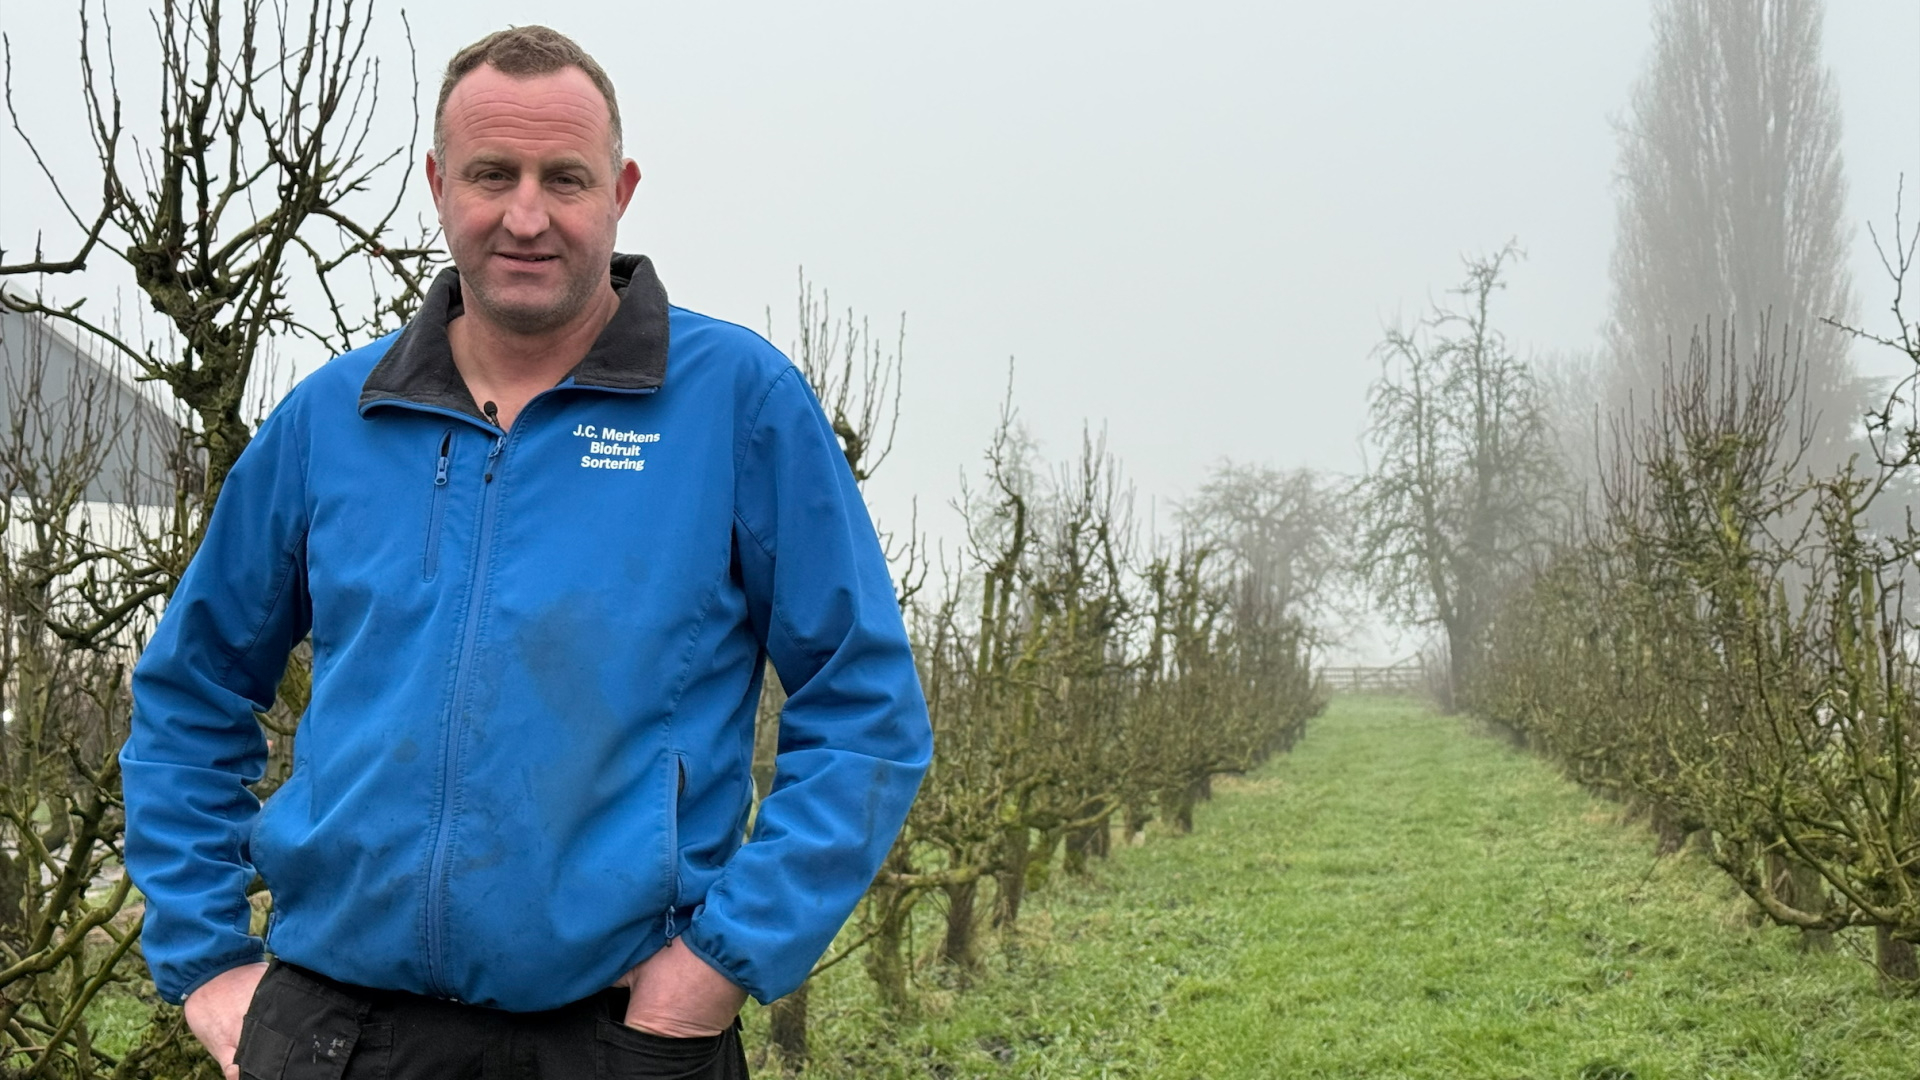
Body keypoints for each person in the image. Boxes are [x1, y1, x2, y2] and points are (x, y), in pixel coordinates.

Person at [120, 25, 931, 1080]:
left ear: (621, 192)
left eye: (566, 178)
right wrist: (206, 958)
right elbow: (192, 688)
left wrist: (722, 963)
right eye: (493, 174)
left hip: (618, 1038)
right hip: (335, 1036)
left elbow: (864, 707)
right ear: (439, 184)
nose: (527, 215)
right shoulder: (332, 417)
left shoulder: (738, 404)